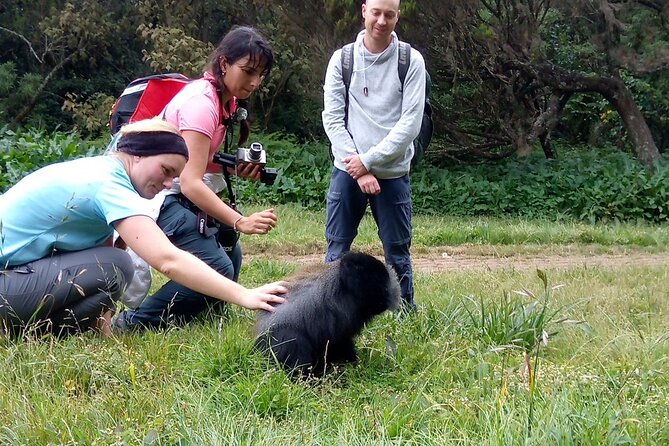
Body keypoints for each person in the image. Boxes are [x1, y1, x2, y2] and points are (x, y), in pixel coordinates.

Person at [0, 119, 287, 338]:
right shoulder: (108, 184)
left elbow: (99, 258)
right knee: (116, 265)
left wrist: (106, 330)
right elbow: (168, 259)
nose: (167, 185)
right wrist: (244, 295)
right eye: (166, 171)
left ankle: (33, 332)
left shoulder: (100, 171)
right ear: (137, 155)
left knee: (109, 272)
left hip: (13, 279)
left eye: (173, 177)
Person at [114, 26, 278, 330]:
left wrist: (233, 168)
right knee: (218, 266)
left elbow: (197, 162)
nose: (254, 82)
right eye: (249, 71)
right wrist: (239, 220)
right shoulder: (202, 104)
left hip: (174, 190)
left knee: (229, 250)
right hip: (155, 196)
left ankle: (204, 310)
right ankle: (130, 324)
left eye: (261, 75)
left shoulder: (225, 100)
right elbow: (189, 182)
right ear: (225, 63)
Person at [321, 0, 426, 310]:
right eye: (376, 12)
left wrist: (369, 162)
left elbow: (410, 125)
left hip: (392, 174)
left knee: (397, 252)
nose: (382, 21)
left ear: (397, 16)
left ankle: (405, 315)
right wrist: (360, 168)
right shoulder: (342, 60)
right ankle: (329, 312)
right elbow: (332, 119)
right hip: (348, 170)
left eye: (389, 14)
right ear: (364, 10)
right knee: (337, 250)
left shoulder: (411, 61)